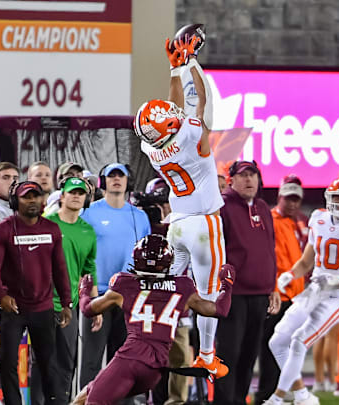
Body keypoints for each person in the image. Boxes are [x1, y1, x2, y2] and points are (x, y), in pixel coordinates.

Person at [135, 34, 228, 379]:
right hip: (205, 223)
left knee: (167, 291)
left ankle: (154, 345)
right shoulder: (189, 135)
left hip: (177, 224)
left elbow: (172, 110)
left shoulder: (151, 148)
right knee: (208, 295)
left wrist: (176, 70)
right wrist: (193, 65)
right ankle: (205, 355)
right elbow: (204, 103)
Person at [72, 234, 235, 405]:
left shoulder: (125, 284)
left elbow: (88, 309)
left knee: (96, 401)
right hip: (155, 371)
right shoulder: (183, 286)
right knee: (89, 392)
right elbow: (219, 310)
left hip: (131, 360)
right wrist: (227, 285)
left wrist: (84, 291)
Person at [265, 177, 339, 405]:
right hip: (314, 289)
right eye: (337, 196)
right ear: (328, 197)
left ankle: (277, 399)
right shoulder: (319, 219)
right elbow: (307, 262)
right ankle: (302, 396)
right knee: (276, 340)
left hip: (338, 295)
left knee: (298, 341)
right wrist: (290, 274)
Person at [0, 180, 72, 405]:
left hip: (43, 307)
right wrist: (0, 295)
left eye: (35, 196)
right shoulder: (2, 229)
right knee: (7, 362)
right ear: (15, 200)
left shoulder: (51, 228)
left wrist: (66, 303)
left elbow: (60, 268)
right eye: (26, 196)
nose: (32, 201)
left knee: (48, 363)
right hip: (14, 308)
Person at [214, 160, 280, 404]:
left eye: (253, 175)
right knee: (229, 353)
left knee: (249, 355)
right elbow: (216, 251)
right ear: (231, 180)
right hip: (234, 295)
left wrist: (272, 286)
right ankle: (223, 401)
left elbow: (269, 249)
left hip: (260, 294)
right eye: (243, 176)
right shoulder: (223, 206)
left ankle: (239, 400)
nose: (249, 180)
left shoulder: (263, 207)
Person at [80, 163, 150, 390]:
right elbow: (83, 255)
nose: (117, 180)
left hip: (128, 298)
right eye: (112, 176)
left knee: (121, 362)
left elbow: (146, 257)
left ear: (129, 181)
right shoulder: (89, 213)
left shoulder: (140, 217)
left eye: (121, 176)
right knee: (91, 361)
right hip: (98, 295)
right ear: (103, 182)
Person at [43, 177, 98, 404]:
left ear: (85, 199)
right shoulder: (46, 223)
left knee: (67, 363)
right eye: (72, 192)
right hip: (41, 305)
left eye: (80, 193)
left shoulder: (88, 231)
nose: (76, 196)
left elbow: (88, 271)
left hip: (69, 307)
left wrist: (95, 307)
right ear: (62, 196)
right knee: (40, 363)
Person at [255, 176, 305, 403]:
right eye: (289, 199)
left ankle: (277, 394)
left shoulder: (294, 224)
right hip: (277, 297)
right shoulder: (271, 220)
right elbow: (268, 258)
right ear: (280, 198)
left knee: (283, 349)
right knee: (271, 350)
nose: (293, 204)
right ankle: (266, 394)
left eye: (296, 200)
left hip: (292, 297)